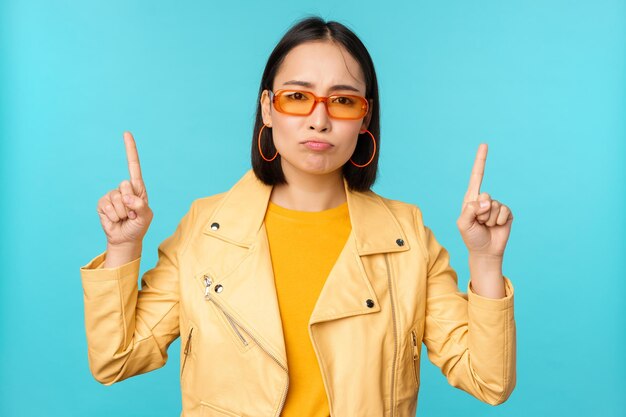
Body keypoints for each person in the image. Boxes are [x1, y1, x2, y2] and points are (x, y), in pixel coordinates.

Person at [80, 16, 516, 417]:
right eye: (297, 97)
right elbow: (116, 359)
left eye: (342, 101)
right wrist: (122, 247)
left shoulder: (407, 237)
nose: (319, 119)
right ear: (268, 108)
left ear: (365, 118)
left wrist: (486, 261)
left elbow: (488, 380)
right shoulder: (205, 228)